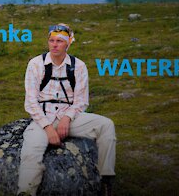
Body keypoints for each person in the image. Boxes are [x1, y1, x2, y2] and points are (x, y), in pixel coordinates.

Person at [17, 23, 116, 196]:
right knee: (31, 150)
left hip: (70, 117)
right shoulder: (35, 64)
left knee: (106, 125)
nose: (54, 45)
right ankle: (25, 192)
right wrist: (48, 128)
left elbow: (81, 100)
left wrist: (66, 118)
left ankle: (105, 179)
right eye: (51, 40)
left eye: (59, 41)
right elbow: (31, 102)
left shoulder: (79, 66)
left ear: (68, 43)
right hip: (43, 118)